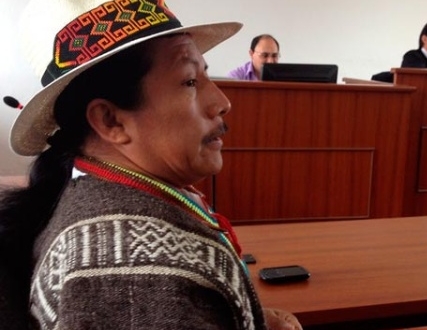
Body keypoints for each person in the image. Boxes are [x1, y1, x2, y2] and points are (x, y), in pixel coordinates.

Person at [0, 0, 302, 329]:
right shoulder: (136, 277)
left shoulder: (109, 198)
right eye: (189, 81)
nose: (222, 102)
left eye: (205, 74)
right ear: (110, 120)